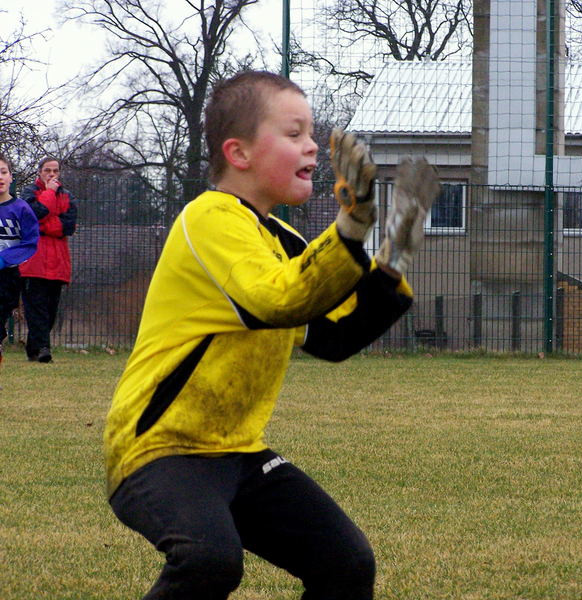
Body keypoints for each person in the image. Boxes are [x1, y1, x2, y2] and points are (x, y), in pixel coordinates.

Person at [103, 70, 440, 599]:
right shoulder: (208, 218)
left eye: (311, 134)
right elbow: (277, 300)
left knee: (345, 563)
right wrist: (350, 228)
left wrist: (393, 256)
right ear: (238, 153)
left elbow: (333, 336)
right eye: (294, 134)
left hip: (236, 453)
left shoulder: (278, 237)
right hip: (160, 451)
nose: (312, 147)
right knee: (210, 558)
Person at [19, 156, 78, 363]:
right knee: (37, 309)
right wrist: (50, 193)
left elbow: (68, 226)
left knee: (50, 310)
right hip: (33, 262)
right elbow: (32, 215)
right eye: (47, 170)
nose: (51, 174)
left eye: (55, 170)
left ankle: (34, 348)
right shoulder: (29, 193)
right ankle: (44, 348)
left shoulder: (68, 197)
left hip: (58, 263)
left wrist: (44, 225)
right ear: (40, 172)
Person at [0, 154, 40, 368]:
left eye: (3, 172)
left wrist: (4, 259)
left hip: (7, 278)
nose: (0, 177)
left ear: (10, 177)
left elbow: (30, 242)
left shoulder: (22, 209)